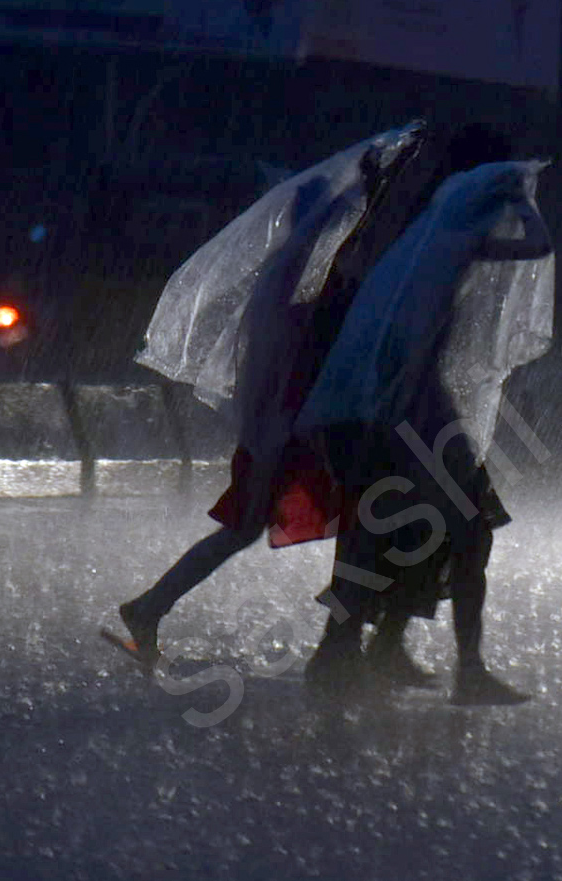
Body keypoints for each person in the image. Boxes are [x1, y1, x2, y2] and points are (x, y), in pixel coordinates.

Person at [104, 122, 427, 667]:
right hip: (274, 435)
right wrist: (375, 191)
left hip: (272, 433)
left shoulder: (280, 295)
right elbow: (348, 263)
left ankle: (150, 607)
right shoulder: (285, 302)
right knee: (244, 529)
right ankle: (148, 607)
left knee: (243, 530)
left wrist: (375, 190)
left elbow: (347, 260)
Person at [296, 153, 554, 704]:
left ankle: (347, 651)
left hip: (366, 409)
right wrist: (523, 197)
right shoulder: (454, 243)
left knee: (376, 534)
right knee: (464, 530)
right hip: (407, 410)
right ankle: (464, 669)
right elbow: (538, 245)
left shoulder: (417, 241)